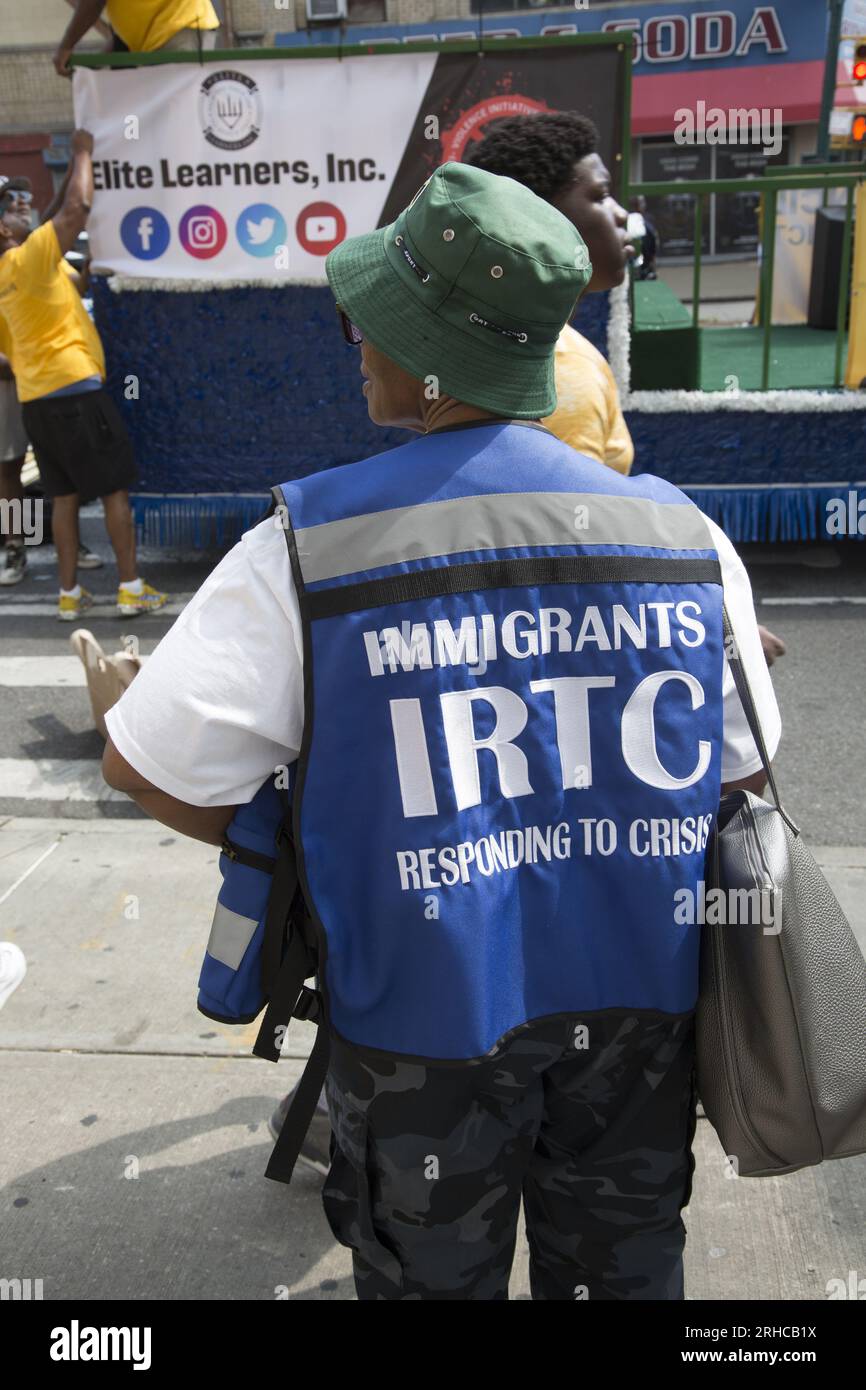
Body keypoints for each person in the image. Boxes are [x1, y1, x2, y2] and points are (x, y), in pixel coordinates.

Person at [102, 162, 782, 1301]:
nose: (353, 341)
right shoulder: (682, 532)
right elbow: (740, 775)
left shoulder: (307, 543)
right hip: (638, 1021)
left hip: (419, 1018)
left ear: (424, 357)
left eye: (368, 319)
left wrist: (320, 841)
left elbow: (145, 760)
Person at [466, 112, 785, 666]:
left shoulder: (531, 340)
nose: (623, 215)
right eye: (601, 196)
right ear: (542, 220)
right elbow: (570, 559)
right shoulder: (558, 372)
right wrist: (704, 619)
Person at [0, 134, 166, 620]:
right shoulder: (27, 259)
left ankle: (67, 591)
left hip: (34, 401)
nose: (19, 210)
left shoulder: (21, 268)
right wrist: (82, 153)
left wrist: (85, 276)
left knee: (56, 494)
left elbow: (63, 275)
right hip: (74, 390)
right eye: (9, 207)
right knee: (111, 488)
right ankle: (128, 585)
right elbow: (76, 207)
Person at [0, 173, 103, 586]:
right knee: (9, 470)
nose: (22, 204)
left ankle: (69, 543)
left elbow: (62, 211)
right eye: (11, 200)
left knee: (56, 468)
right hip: (9, 380)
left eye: (25, 197)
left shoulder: (39, 249)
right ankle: (16, 546)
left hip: (38, 380)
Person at [54, 0, 220, 75]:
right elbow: (124, 33)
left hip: (180, 27)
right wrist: (92, 69)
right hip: (168, 32)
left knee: (174, 107)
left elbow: (93, 3)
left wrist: (66, 47)